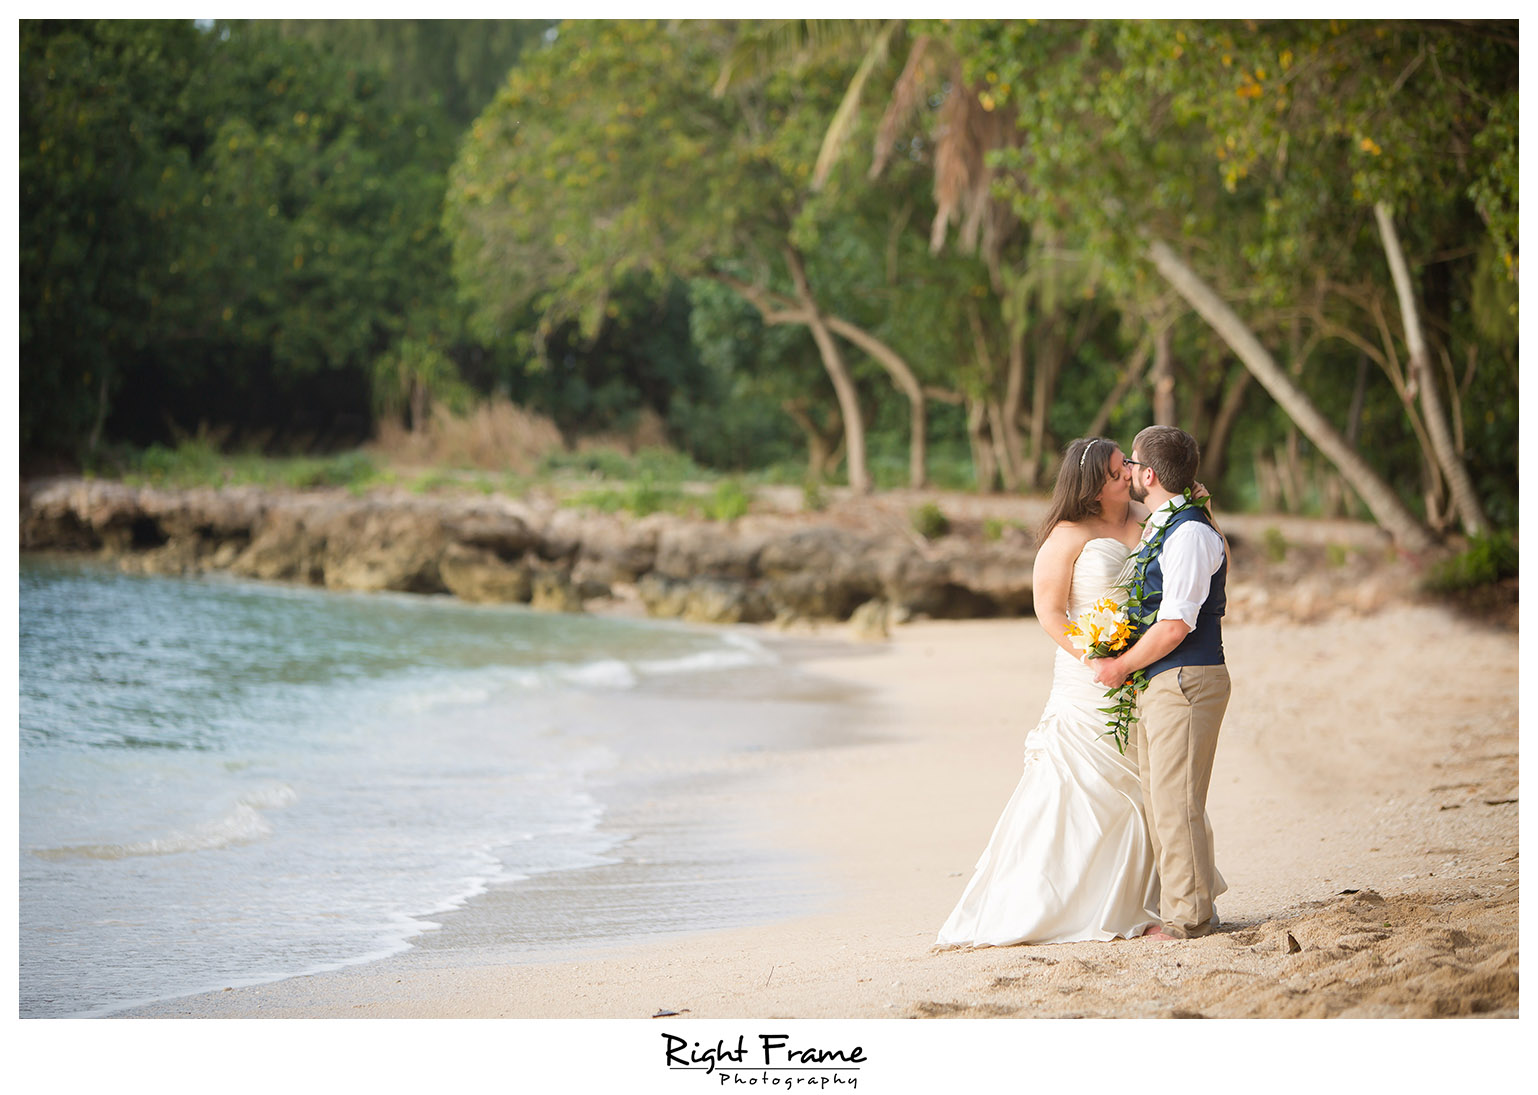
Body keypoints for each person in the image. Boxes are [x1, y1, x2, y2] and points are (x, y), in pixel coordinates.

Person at [936, 436, 1161, 947]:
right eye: (1114, 471)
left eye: (1124, 464)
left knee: (1147, 783)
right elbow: (1050, 612)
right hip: (1090, 678)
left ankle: (1142, 902)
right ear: (1090, 484)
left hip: (1144, 667)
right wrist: (1095, 656)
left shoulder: (1147, 523)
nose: (1127, 473)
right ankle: (1060, 906)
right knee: (1080, 787)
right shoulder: (1068, 533)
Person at [1091, 425, 1229, 941]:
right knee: (1163, 797)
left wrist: (1120, 664)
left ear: (1149, 474)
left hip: (1187, 678)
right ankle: (1193, 910)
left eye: (1131, 462)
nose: (1126, 470)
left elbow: (1176, 624)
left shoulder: (1189, 532)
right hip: (1165, 680)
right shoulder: (1166, 523)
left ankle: (1188, 920)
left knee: (1176, 802)